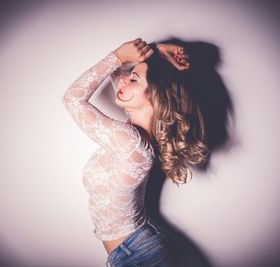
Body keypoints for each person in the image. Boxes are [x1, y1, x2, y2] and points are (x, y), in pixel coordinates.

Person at [61, 38, 209, 267]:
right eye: (129, 77)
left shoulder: (131, 143)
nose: (124, 82)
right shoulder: (134, 137)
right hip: (138, 251)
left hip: (139, 256)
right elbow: (119, 70)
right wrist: (156, 52)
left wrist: (119, 56)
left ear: (156, 96)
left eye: (134, 79)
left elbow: (73, 98)